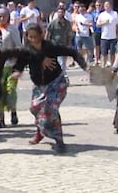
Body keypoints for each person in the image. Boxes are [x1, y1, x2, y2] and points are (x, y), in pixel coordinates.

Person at [12, 23, 88, 153]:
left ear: (41, 35)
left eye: (36, 37)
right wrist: (17, 72)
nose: (33, 40)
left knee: (50, 109)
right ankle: (40, 132)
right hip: (39, 85)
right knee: (35, 108)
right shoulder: (26, 51)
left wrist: (85, 67)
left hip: (56, 82)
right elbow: (20, 64)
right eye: (30, 37)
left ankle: (59, 140)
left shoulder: (50, 47)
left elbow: (72, 52)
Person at [0, 7, 22, 128]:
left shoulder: (13, 30)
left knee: (10, 90)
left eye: (3, 16)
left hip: (10, 65)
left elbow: (18, 46)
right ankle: (1, 118)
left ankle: (13, 111)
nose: (1, 18)